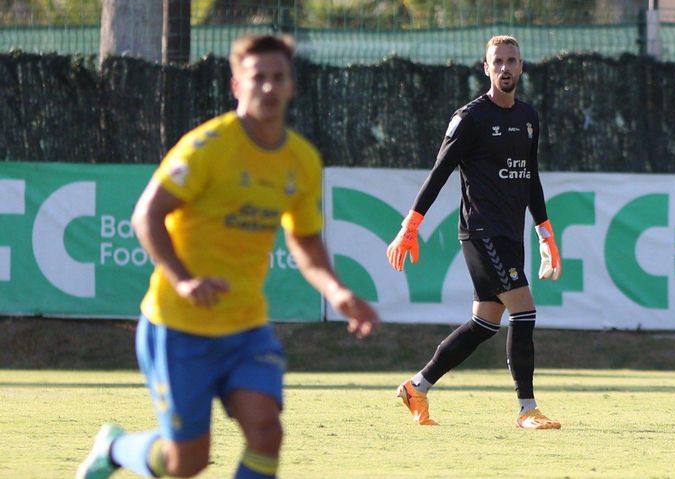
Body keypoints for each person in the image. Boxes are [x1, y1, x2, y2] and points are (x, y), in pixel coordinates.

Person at [77, 34, 379, 479]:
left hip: (246, 327)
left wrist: (336, 291)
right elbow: (146, 215)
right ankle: (116, 448)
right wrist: (183, 279)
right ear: (237, 85)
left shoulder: (301, 160)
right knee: (187, 462)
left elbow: (304, 240)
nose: (269, 87)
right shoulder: (208, 147)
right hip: (179, 325)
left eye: (278, 77)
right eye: (258, 78)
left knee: (266, 432)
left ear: (292, 86)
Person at [386, 35, 561, 430]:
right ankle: (527, 409)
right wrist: (410, 225)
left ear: (521, 67)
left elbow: (530, 178)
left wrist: (545, 233)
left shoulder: (529, 117)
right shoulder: (470, 118)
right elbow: (439, 173)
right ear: (486, 68)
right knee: (524, 311)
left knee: (485, 323)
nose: (505, 68)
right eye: (497, 61)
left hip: (510, 234)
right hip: (482, 233)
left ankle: (417, 387)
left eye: (511, 61)